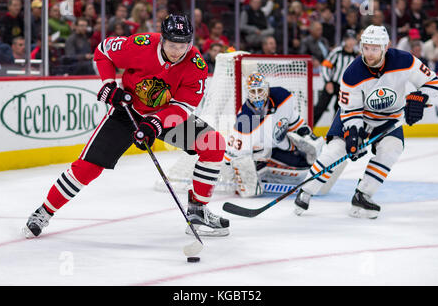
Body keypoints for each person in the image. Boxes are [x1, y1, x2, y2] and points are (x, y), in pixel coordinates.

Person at [23, 14, 229, 238]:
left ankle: (198, 211)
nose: (177, 51)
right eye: (172, 45)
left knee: (213, 144)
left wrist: (155, 124)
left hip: (165, 115)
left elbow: (182, 107)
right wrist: (109, 84)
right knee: (88, 167)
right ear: (162, 40)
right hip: (127, 112)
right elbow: (103, 51)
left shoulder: (196, 65)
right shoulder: (141, 45)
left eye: (183, 46)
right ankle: (44, 212)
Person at [294, 25, 438, 219]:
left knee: (392, 148)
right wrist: (353, 134)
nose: (369, 54)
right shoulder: (352, 73)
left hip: (389, 120)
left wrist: (421, 98)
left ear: (385, 47)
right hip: (357, 117)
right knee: (337, 149)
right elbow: (350, 110)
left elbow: (432, 83)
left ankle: (362, 195)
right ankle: (305, 191)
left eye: (374, 48)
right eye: (366, 48)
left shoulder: (405, 61)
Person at [224, 73, 324, 197]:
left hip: (279, 144)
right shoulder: (245, 120)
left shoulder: (282, 97)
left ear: (266, 89)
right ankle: (260, 169)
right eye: (252, 91)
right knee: (248, 180)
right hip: (258, 154)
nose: (257, 95)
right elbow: (232, 152)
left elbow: (294, 121)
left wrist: (307, 134)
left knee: (303, 165)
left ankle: (269, 170)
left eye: (259, 90)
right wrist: (234, 173)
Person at [314, 30, 359, 125]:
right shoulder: (337, 52)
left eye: (353, 39)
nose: (350, 42)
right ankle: (308, 130)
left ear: (356, 41)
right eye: (348, 39)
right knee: (320, 107)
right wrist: (328, 82)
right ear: (344, 40)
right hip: (332, 83)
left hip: (345, 87)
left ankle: (333, 134)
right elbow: (325, 66)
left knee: (339, 111)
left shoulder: (357, 55)